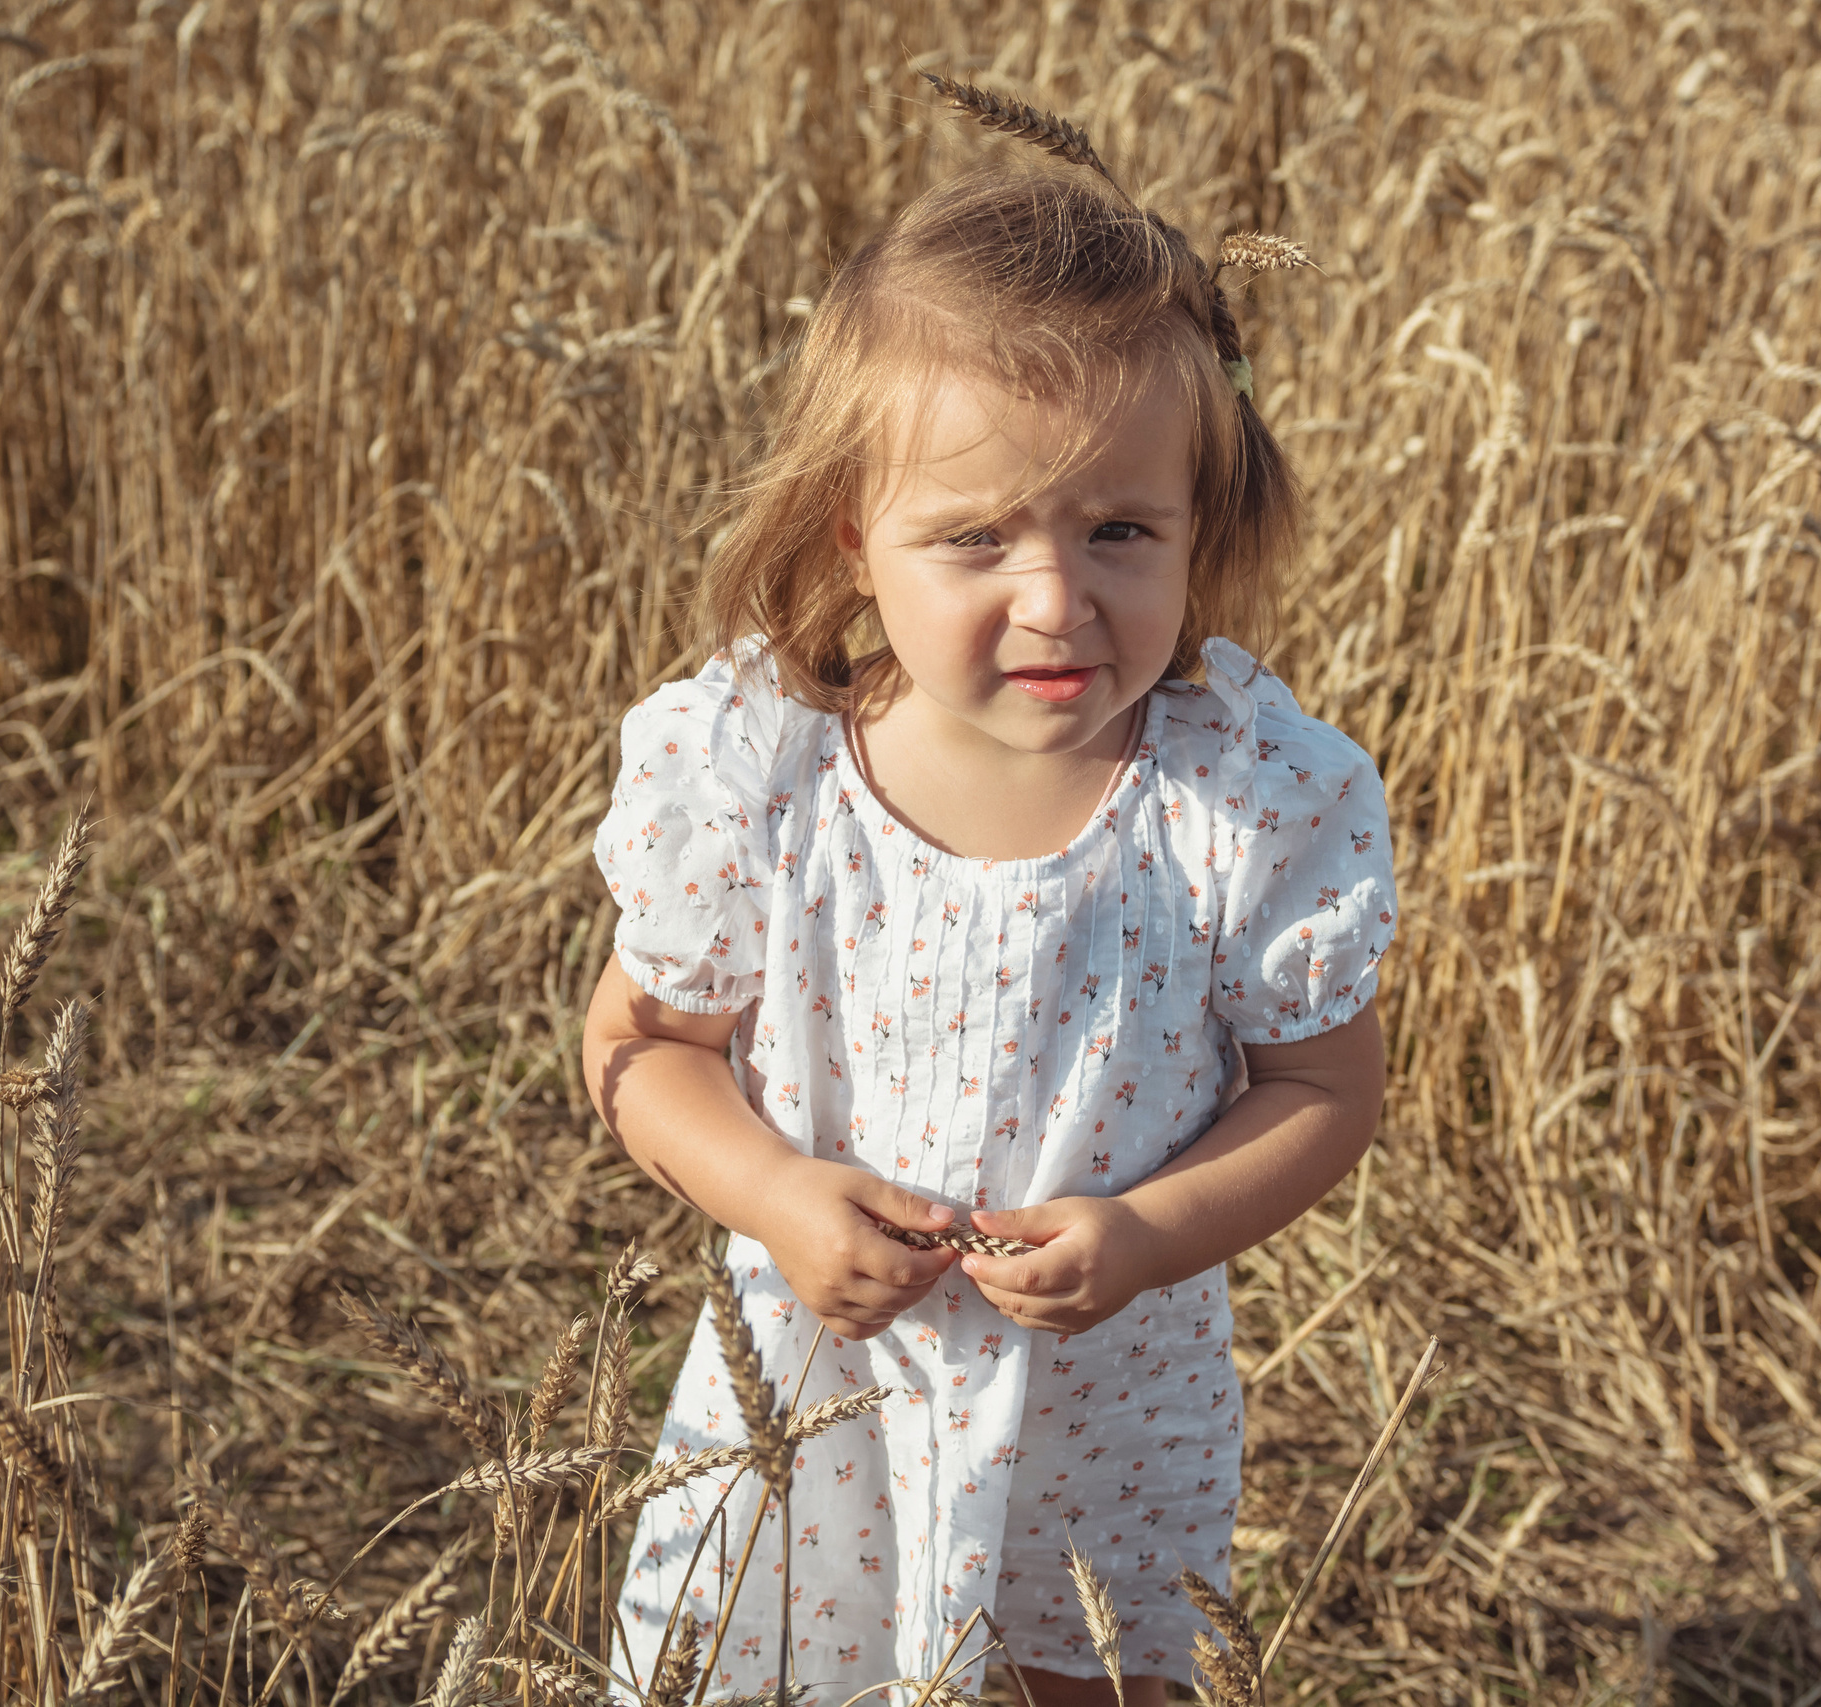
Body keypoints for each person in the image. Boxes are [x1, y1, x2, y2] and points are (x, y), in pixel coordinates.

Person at [582, 108, 1396, 1707]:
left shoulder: (1239, 798)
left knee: (1081, 1676)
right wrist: (779, 1196)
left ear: (1197, 529)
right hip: (818, 1385)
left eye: (1118, 531)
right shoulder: (761, 773)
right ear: (855, 539)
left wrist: (1149, 1233)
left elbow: (1325, 1089)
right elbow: (643, 1045)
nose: (1056, 597)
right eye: (975, 537)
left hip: (1107, 1396)